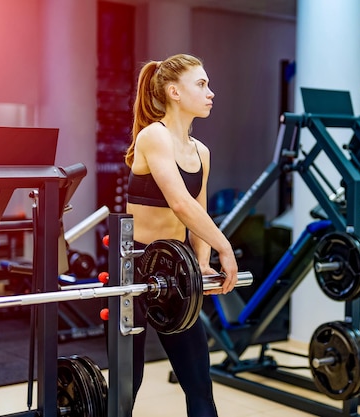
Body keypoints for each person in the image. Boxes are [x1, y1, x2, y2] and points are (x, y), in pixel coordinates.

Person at [124, 53, 239, 416]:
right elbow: (180, 203)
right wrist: (227, 248)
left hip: (175, 271)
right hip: (136, 268)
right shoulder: (153, 136)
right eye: (201, 84)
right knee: (129, 384)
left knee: (198, 382)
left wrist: (203, 262)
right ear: (174, 92)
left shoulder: (200, 151)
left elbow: (197, 215)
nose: (211, 93)